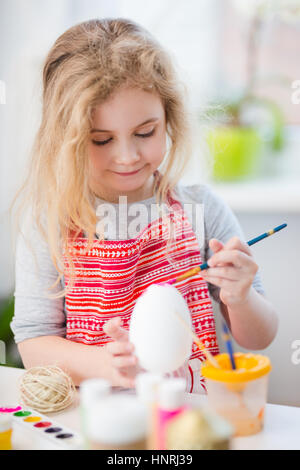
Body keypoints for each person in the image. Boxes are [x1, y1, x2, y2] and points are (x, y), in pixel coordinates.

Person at [10, 18, 278, 393]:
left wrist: (242, 296)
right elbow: (34, 341)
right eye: (101, 140)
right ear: (65, 139)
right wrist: (107, 365)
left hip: (190, 415)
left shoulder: (201, 209)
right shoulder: (49, 221)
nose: (127, 156)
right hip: (98, 419)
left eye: (145, 132)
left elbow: (258, 337)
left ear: (169, 118)